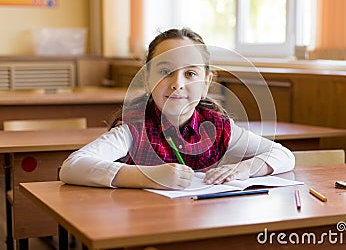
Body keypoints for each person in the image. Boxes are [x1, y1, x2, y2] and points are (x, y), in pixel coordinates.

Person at [59, 28, 295, 190]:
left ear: (206, 83)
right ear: (148, 79)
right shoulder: (134, 129)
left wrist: (244, 169)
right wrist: (148, 177)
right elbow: (72, 167)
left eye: (190, 74)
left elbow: (284, 155)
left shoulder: (219, 128)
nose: (178, 83)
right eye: (165, 72)